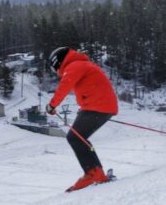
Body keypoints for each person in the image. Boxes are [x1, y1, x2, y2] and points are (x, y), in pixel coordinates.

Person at [45, 46, 119, 192]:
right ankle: (95, 172)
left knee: (75, 137)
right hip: (97, 106)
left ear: (57, 62)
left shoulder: (74, 66)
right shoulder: (80, 64)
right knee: (79, 137)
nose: (55, 72)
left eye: (54, 68)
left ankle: (93, 174)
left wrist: (52, 105)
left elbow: (65, 86)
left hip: (98, 107)